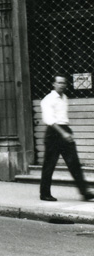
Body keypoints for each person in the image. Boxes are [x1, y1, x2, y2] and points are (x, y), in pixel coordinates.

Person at [39, 74, 94, 202]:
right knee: (49, 164)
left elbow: (63, 118)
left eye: (64, 83)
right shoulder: (48, 99)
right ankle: (44, 193)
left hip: (64, 130)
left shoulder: (65, 98)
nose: (62, 85)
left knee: (74, 163)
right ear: (53, 84)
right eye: (59, 83)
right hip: (53, 133)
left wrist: (67, 131)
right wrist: (63, 133)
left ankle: (84, 192)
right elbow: (49, 120)